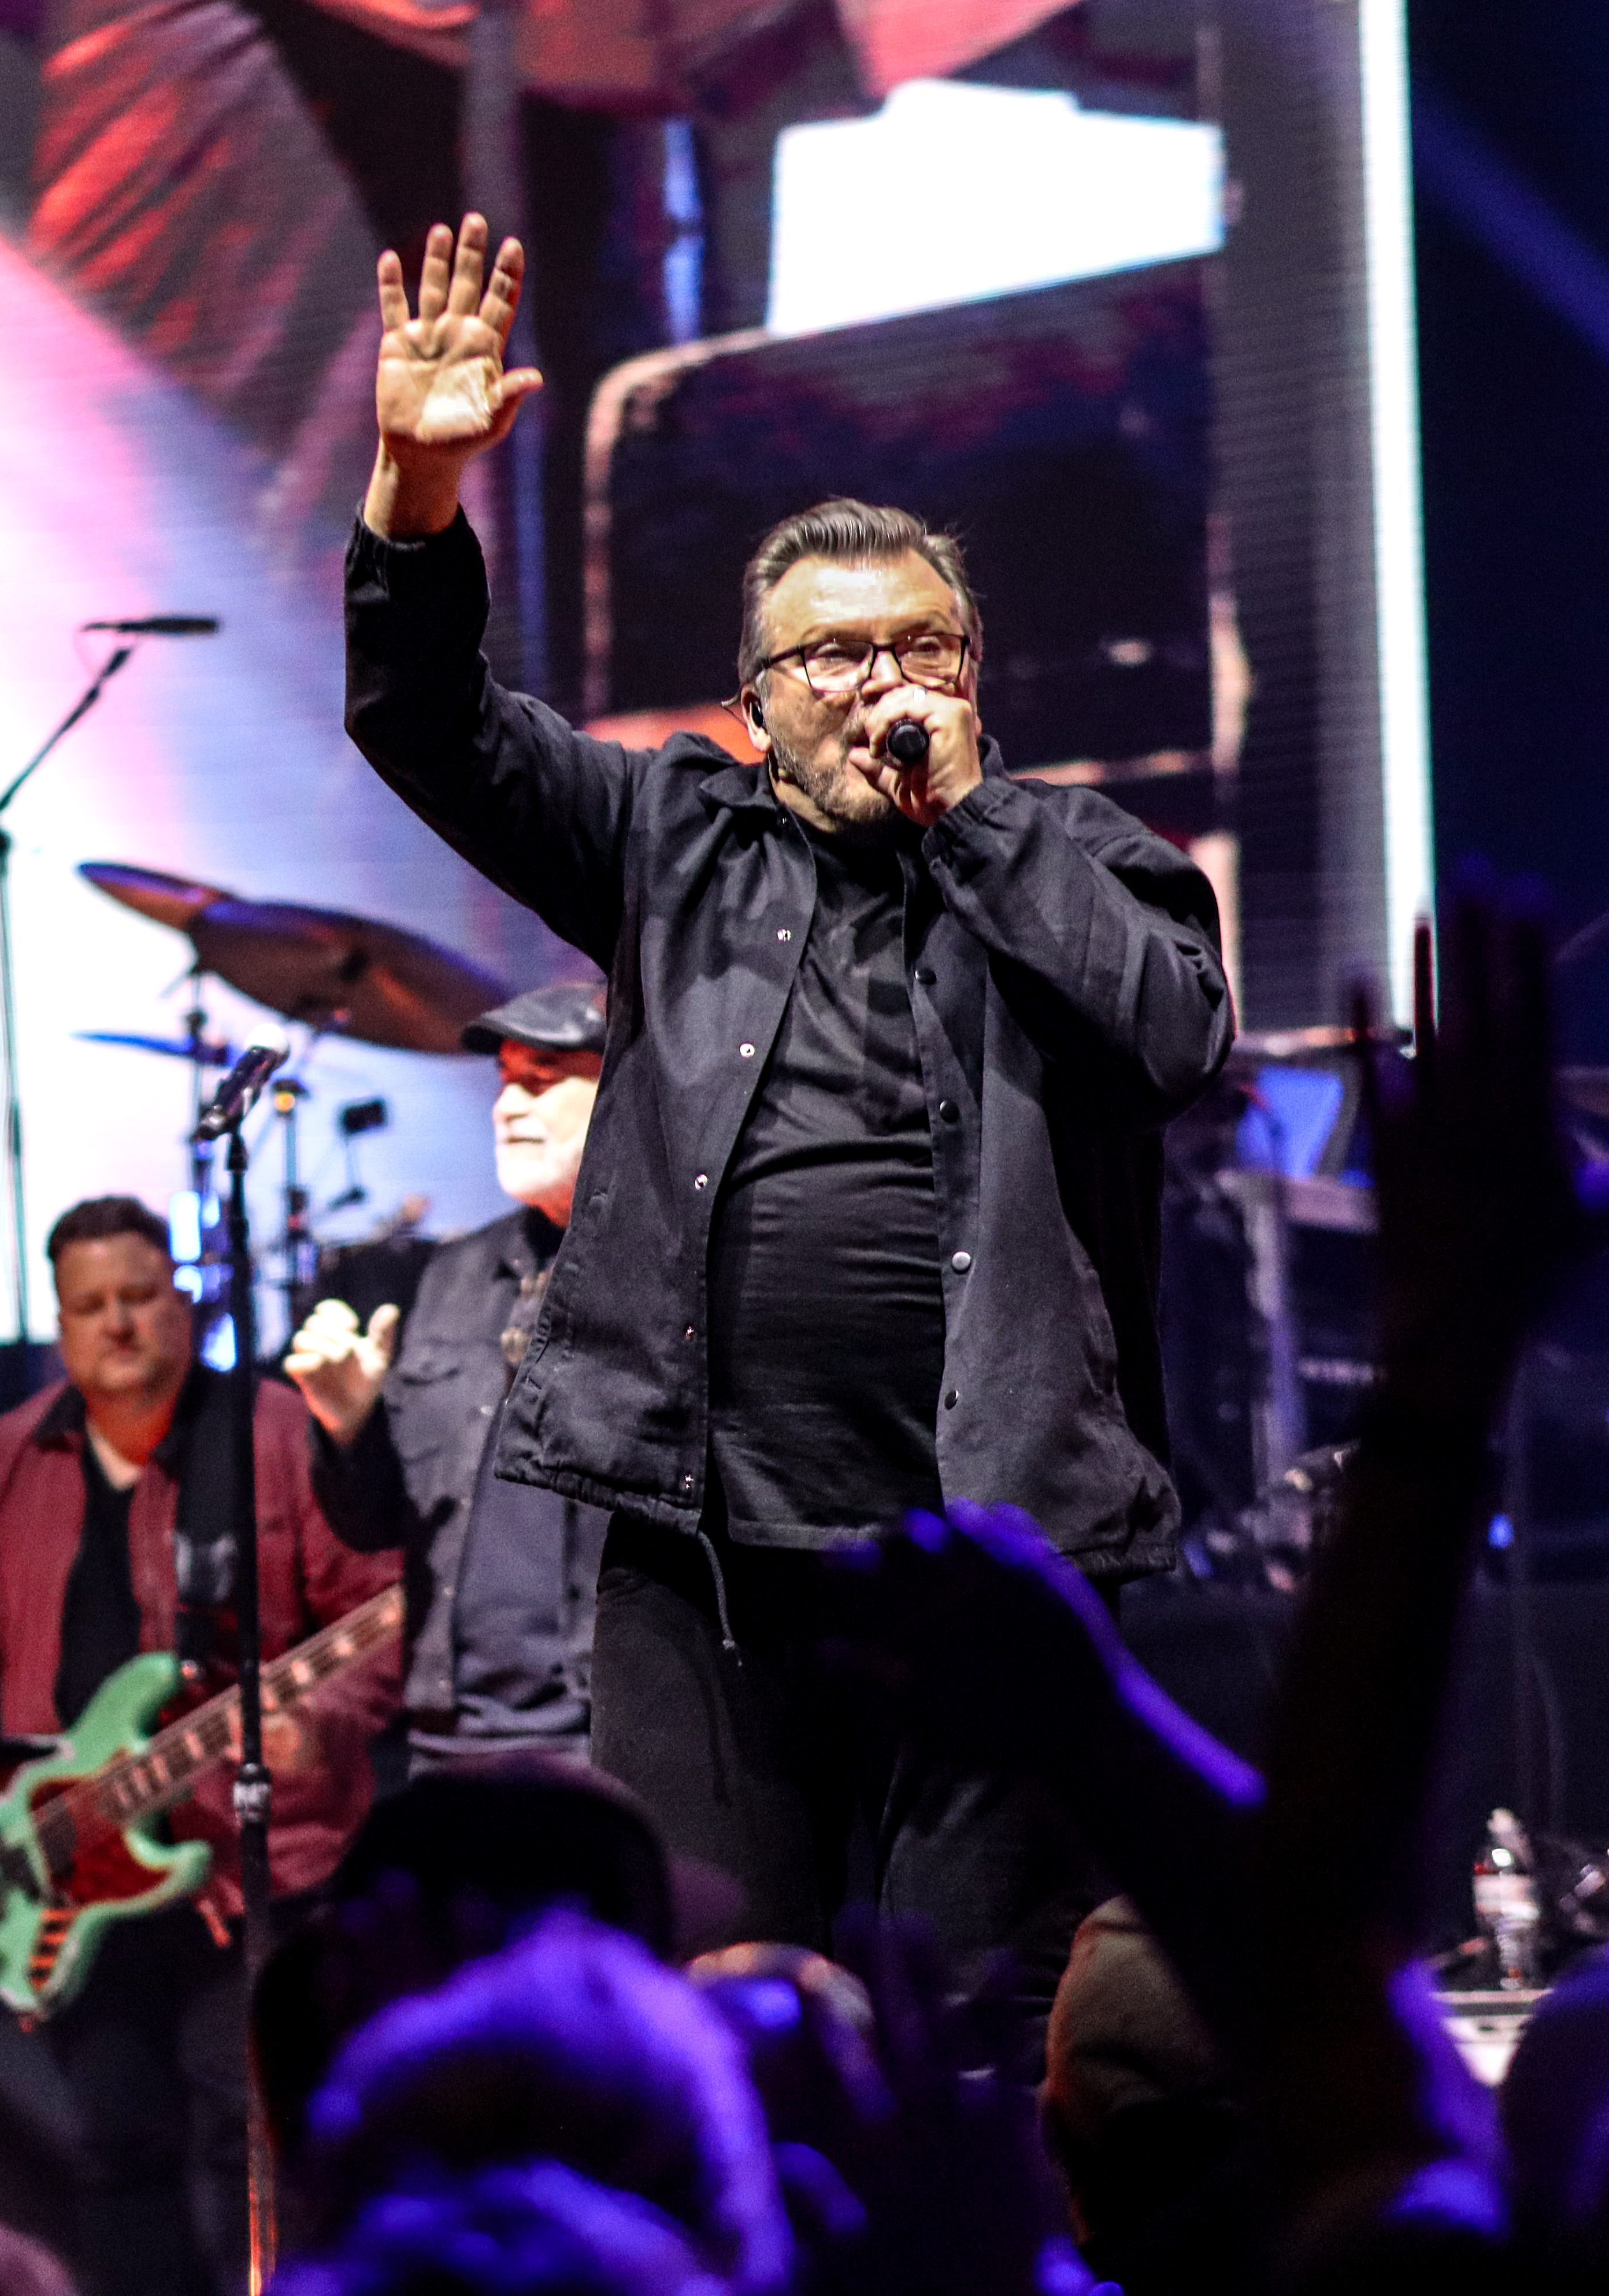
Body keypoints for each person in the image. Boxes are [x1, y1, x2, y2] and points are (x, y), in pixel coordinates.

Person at [340, 216, 1235, 2024]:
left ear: (975, 672)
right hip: (711, 1561)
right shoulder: (670, 837)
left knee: (972, 2023)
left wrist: (978, 823)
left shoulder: (1086, 854)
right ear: (755, 705)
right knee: (721, 2009)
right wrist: (417, 496)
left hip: (991, 1560)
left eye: (922, 647)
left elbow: (1173, 1044)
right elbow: (431, 724)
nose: (882, 683)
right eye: (832, 658)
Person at [0, 1196, 401, 2296]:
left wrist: (319, 1726)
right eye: (92, 1306)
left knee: (257, 2147)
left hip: (250, 1871)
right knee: (118, 2152)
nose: (118, 1324)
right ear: (60, 1325)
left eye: (140, 1296)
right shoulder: (17, 1453)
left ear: (185, 1300)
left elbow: (380, 1606)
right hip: (75, 1872)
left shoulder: (273, 1431)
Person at [285, 978, 610, 1771]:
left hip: (602, 1741)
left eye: (541, 1080)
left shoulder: (663, 1271)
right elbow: (375, 1526)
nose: (506, 1107)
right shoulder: (455, 1273)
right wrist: (349, 1428)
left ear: (625, 1092)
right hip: (449, 1742)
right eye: (504, 1081)